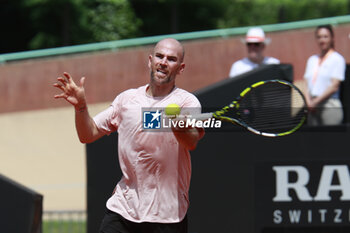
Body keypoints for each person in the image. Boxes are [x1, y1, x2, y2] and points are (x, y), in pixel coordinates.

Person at [53, 38, 205, 233]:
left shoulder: (188, 102)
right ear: (150, 61)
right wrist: (80, 107)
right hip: (123, 209)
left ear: (180, 68)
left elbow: (191, 141)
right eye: (159, 56)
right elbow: (87, 134)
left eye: (171, 59)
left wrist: (177, 125)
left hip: (168, 214)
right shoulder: (126, 100)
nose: (163, 62)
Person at [303, 25, 346, 126]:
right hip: (312, 107)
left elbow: (334, 86)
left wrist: (315, 102)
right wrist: (309, 102)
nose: (322, 40)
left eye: (325, 37)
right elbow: (305, 83)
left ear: (332, 38)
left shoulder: (337, 59)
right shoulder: (312, 60)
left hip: (329, 105)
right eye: (319, 37)